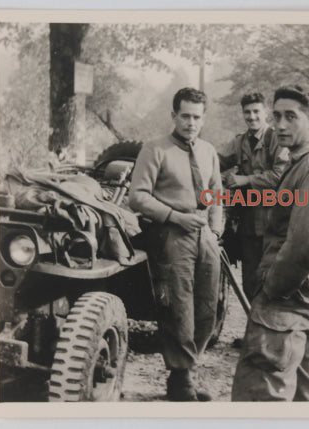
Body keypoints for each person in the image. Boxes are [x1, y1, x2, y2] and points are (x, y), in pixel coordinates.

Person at [231, 84, 309, 401]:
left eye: (290, 116)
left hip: (290, 297)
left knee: (262, 387)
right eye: (277, 115)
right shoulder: (301, 161)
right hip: (304, 294)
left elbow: (304, 245)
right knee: (306, 389)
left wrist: (272, 286)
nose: (280, 125)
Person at [129, 87, 223, 401]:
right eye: (185, 116)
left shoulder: (209, 151)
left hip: (204, 235)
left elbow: (215, 192)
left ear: (204, 119)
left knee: (208, 307)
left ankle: (189, 370)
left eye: (197, 117)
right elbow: (138, 196)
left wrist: (214, 228)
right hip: (171, 234)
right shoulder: (155, 149)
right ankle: (181, 379)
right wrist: (174, 217)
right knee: (178, 307)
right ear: (174, 116)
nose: (191, 123)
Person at [218, 92, 289, 303]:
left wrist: (245, 180)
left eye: (256, 111)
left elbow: (281, 175)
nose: (252, 116)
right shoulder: (240, 141)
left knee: (274, 281)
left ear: (265, 112)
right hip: (249, 224)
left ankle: (270, 334)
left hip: (274, 223)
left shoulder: (277, 139)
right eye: (247, 112)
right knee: (250, 282)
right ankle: (254, 333)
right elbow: (215, 161)